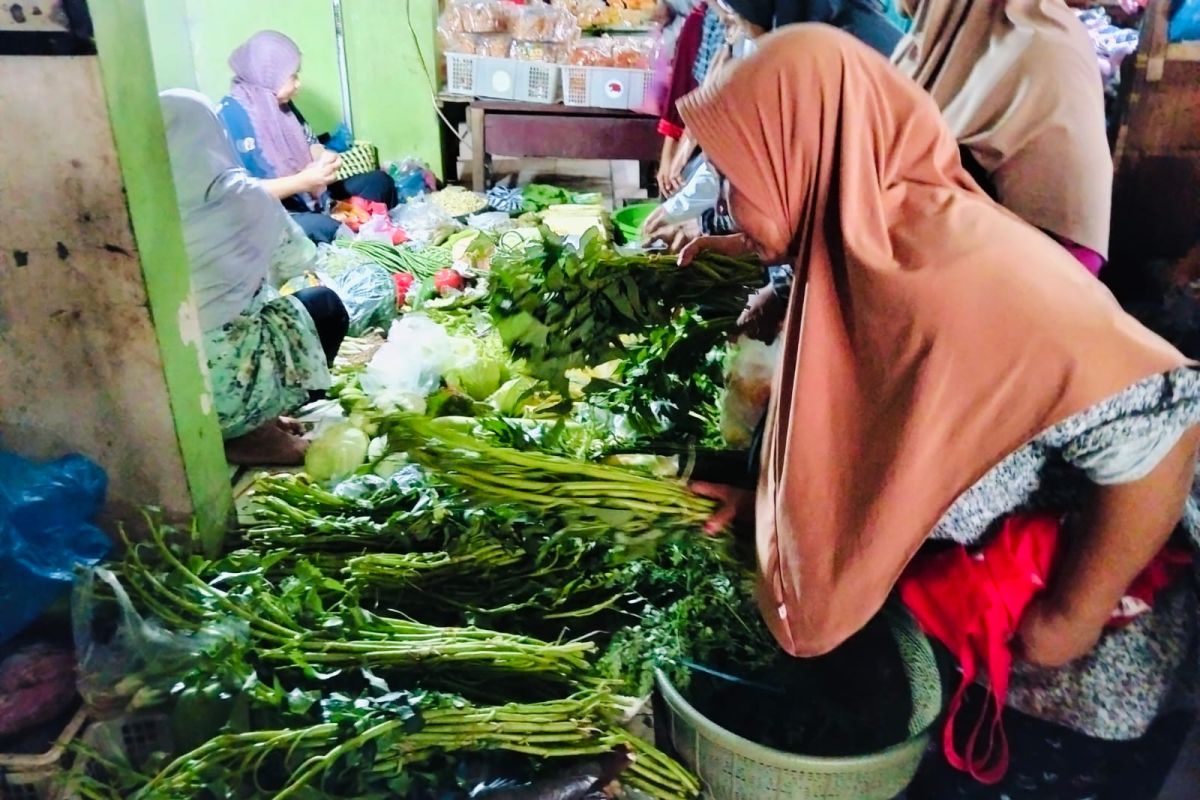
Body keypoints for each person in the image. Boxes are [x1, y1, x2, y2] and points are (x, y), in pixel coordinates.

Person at [677, 26, 1200, 798]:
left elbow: (1166, 422)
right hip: (970, 634)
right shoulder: (863, 249)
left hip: (1065, 682)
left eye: (737, 176)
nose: (725, 205)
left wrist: (1072, 613)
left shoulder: (962, 277)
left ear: (806, 153)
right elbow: (873, 437)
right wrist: (768, 511)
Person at [161, 89, 349, 466]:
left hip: (158, 385)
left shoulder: (134, 208)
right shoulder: (245, 197)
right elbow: (296, 261)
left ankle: (241, 424)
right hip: (224, 383)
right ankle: (249, 429)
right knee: (322, 305)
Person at [893, 0, 1113, 276]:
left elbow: (1071, 252)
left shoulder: (1041, 50)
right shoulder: (934, 43)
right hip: (971, 269)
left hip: (1029, 278)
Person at [217, 31, 397, 245]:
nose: (298, 84)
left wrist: (325, 158)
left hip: (311, 197)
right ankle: (353, 236)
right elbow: (238, 193)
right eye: (292, 76)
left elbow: (311, 143)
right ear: (269, 75)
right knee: (323, 227)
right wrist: (301, 182)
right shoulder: (230, 116)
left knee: (379, 182)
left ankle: (361, 231)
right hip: (268, 216)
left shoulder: (281, 104)